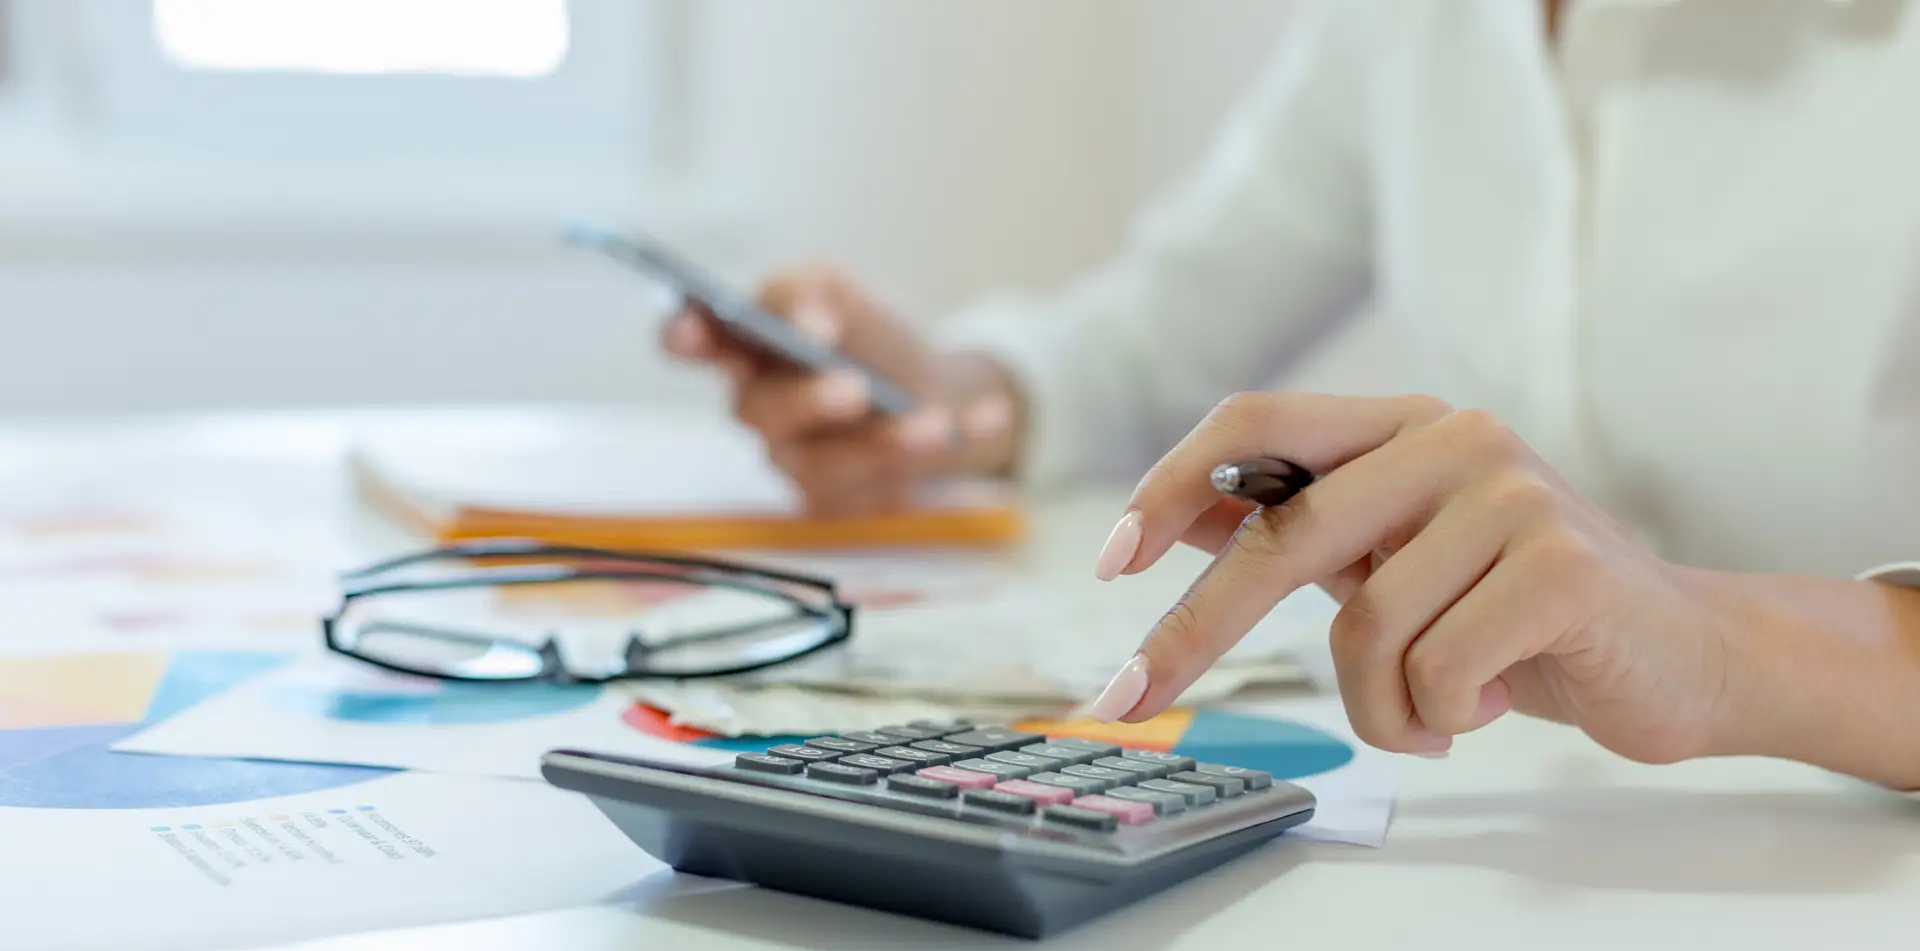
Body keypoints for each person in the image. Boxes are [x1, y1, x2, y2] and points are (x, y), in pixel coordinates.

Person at [663, 0, 1920, 792]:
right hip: (1514, 857)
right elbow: (1150, 342)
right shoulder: (1404, 26)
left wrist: (1718, 643)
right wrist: (944, 396)